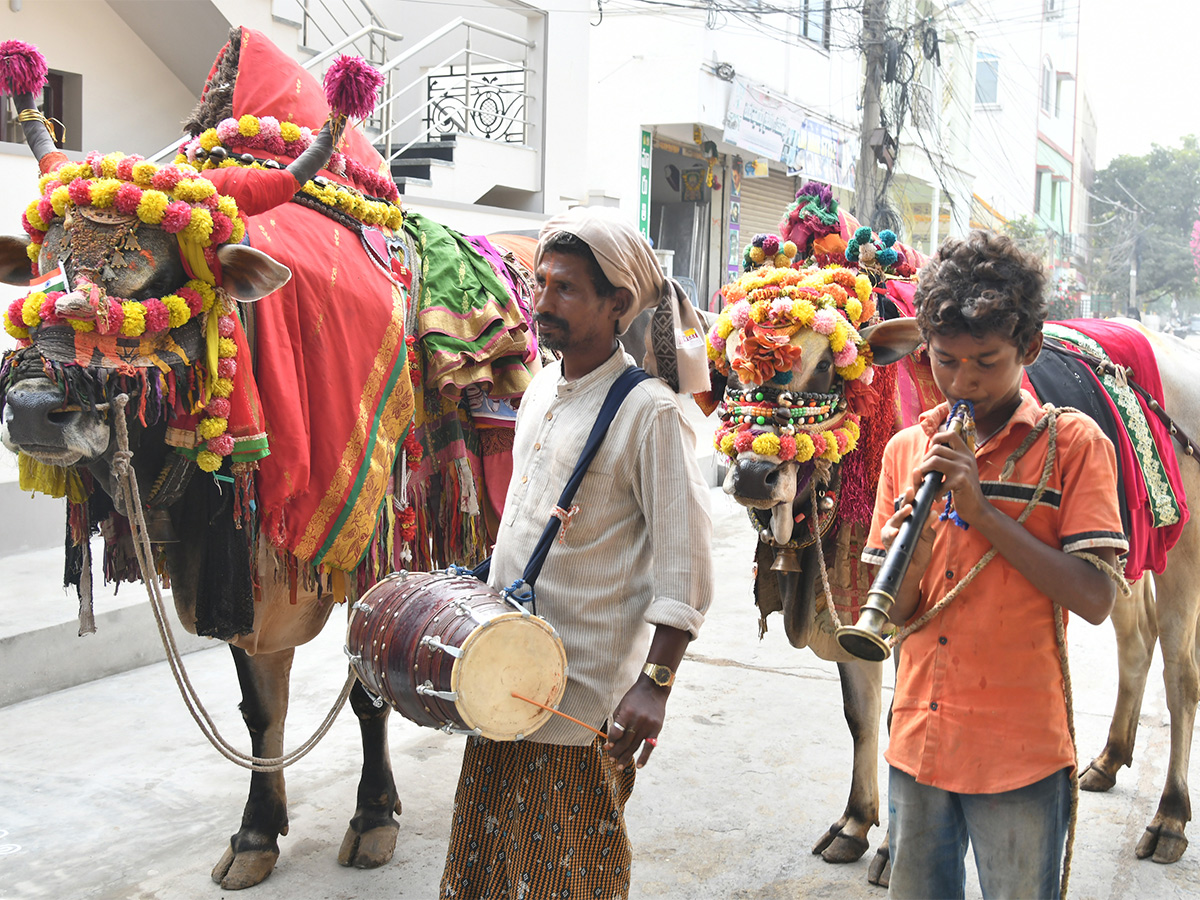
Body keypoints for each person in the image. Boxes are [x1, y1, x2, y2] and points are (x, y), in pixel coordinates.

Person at [439, 207, 714, 899]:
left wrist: (655, 685)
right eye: (538, 284)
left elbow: (687, 561)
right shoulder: (540, 386)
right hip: (504, 671)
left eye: (564, 289)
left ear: (617, 304)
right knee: (491, 867)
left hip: (582, 696)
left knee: (570, 878)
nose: (541, 303)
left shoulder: (652, 412)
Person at [861, 230, 1128, 899]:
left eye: (986, 361)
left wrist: (981, 514)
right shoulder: (905, 450)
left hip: (1021, 753)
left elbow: (1096, 600)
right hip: (918, 742)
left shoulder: (1073, 445)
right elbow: (893, 616)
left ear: (1029, 350)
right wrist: (911, 548)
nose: (963, 382)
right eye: (946, 362)